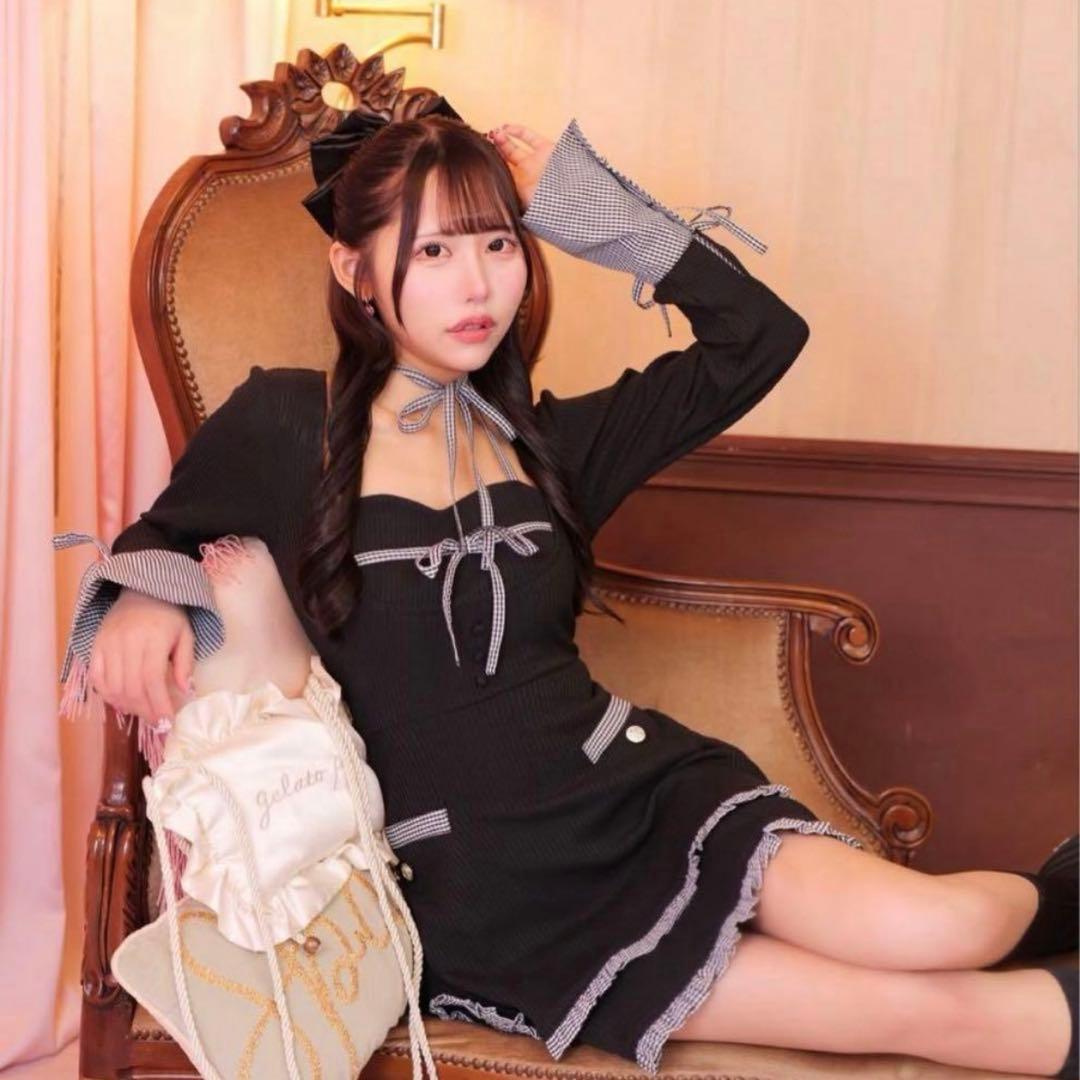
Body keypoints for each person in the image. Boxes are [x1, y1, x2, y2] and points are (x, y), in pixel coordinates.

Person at [56, 101, 1077, 1078]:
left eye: (499, 243)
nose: (477, 286)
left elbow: (760, 337)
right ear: (353, 269)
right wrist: (147, 597)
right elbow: (161, 533)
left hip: (639, 795)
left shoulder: (553, 446)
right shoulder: (287, 424)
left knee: (946, 928)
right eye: (433, 251)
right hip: (493, 896)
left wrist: (585, 203)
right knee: (932, 1011)